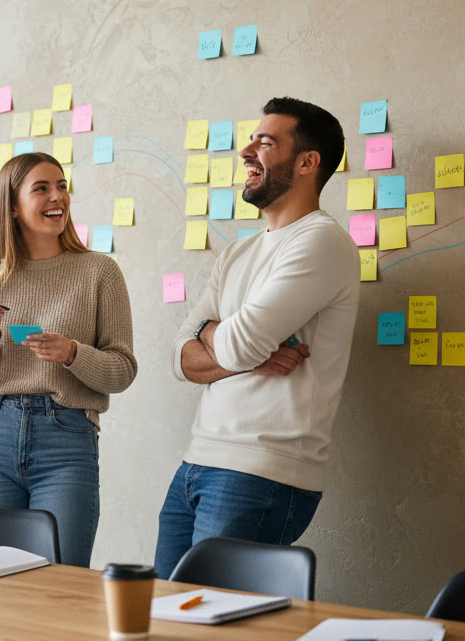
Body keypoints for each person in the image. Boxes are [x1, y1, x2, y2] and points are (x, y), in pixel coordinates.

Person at [154, 97, 360, 577]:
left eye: (265, 143)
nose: (247, 152)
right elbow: (178, 359)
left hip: (263, 471)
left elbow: (233, 347)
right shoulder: (238, 252)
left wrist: (217, 336)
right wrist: (229, 343)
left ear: (308, 162)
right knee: (165, 618)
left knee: (216, 630)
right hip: (196, 462)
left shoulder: (321, 241)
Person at [0, 152, 137, 568]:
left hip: (66, 440)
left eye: (62, 186)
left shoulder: (99, 271)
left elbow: (123, 370)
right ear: (13, 207)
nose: (58, 197)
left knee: (61, 582)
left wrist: (73, 353)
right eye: (42, 188)